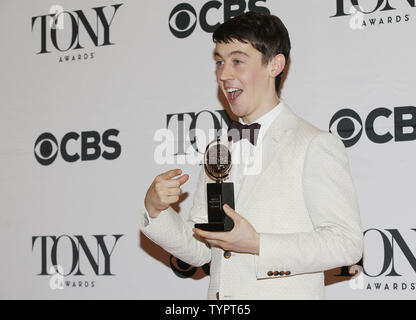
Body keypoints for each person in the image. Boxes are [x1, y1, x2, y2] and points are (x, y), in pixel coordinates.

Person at [140, 11, 363, 300]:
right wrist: (155, 211)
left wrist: (258, 244)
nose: (223, 74)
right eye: (219, 62)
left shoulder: (314, 144)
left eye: (237, 61)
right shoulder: (219, 149)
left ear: (275, 64)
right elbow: (202, 248)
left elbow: (346, 244)